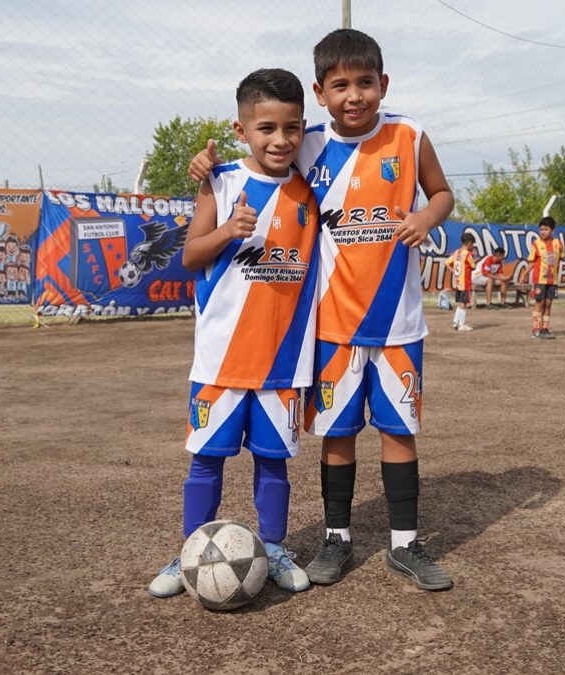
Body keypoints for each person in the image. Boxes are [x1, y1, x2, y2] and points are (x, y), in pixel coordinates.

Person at [194, 30, 455, 591]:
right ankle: (337, 538)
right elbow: (255, 162)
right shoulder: (306, 145)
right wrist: (202, 167)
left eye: (365, 83)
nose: (354, 96)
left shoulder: (409, 138)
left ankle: (405, 545)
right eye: (341, 86)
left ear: (383, 84)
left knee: (399, 430)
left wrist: (427, 219)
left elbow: (442, 193)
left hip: (398, 325)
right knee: (336, 434)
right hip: (331, 328)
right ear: (320, 92)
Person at [148, 68, 319, 599]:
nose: (281, 139)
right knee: (206, 461)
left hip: (284, 363)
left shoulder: (313, 189)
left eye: (292, 128)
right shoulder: (219, 182)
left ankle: (274, 547)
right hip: (220, 362)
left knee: (274, 463)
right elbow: (189, 257)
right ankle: (189, 552)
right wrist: (227, 231)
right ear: (241, 130)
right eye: (266, 127)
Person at [527, 216, 565, 339]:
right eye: (541, 229)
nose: (543, 232)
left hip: (552, 280)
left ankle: (545, 328)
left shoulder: (558, 243)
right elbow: (532, 262)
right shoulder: (536, 244)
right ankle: (535, 329)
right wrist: (524, 273)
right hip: (540, 279)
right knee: (540, 302)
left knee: (548, 304)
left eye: (546, 229)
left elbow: (560, 259)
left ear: (552, 230)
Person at [444, 232, 477, 330]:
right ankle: (462, 324)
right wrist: (473, 257)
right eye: (472, 244)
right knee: (464, 303)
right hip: (465, 282)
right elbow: (473, 266)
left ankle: (455, 322)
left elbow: (447, 263)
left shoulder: (457, 252)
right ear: (469, 243)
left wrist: (454, 271)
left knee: (460, 302)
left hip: (458, 281)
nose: (473, 246)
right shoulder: (467, 254)